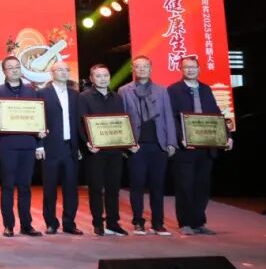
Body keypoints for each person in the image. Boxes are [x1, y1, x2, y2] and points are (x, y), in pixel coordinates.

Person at [167, 55, 234, 235]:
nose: (190, 70)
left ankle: (198, 222)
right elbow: (171, 118)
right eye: (186, 67)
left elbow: (216, 115)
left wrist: (226, 136)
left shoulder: (206, 89)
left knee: (202, 187)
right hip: (185, 149)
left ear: (199, 69)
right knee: (185, 186)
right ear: (181, 69)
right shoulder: (173, 90)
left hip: (206, 148)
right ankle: (185, 223)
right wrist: (180, 137)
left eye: (193, 67)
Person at [118, 55, 177, 236]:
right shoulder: (124, 90)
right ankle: (138, 221)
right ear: (133, 69)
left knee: (157, 186)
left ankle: (158, 223)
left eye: (145, 66)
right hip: (137, 146)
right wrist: (127, 143)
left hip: (158, 144)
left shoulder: (161, 90)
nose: (142, 69)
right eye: (138, 66)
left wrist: (171, 142)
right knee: (136, 185)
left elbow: (168, 116)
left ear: (151, 69)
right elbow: (121, 119)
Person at [0, 56, 44, 237]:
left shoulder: (32, 91)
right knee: (8, 186)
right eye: (10, 67)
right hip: (7, 145)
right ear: (4, 71)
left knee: (25, 186)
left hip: (28, 144)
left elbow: (39, 118)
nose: (14, 70)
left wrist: (39, 143)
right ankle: (9, 225)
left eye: (17, 67)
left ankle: (26, 225)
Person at [79, 64, 130, 236]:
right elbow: (80, 123)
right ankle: (98, 223)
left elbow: (121, 122)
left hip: (114, 150)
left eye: (106, 75)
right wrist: (87, 143)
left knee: (113, 188)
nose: (103, 79)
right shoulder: (84, 97)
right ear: (92, 79)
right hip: (95, 151)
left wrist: (126, 142)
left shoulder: (117, 97)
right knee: (96, 188)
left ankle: (113, 223)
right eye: (98, 76)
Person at [37, 61, 83, 235]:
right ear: (52, 73)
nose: (64, 72)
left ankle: (69, 223)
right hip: (50, 147)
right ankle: (51, 223)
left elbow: (79, 122)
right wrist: (39, 145)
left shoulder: (75, 95)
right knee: (49, 189)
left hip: (70, 147)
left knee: (71, 188)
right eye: (60, 70)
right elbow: (38, 120)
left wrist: (79, 146)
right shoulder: (42, 93)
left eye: (66, 70)